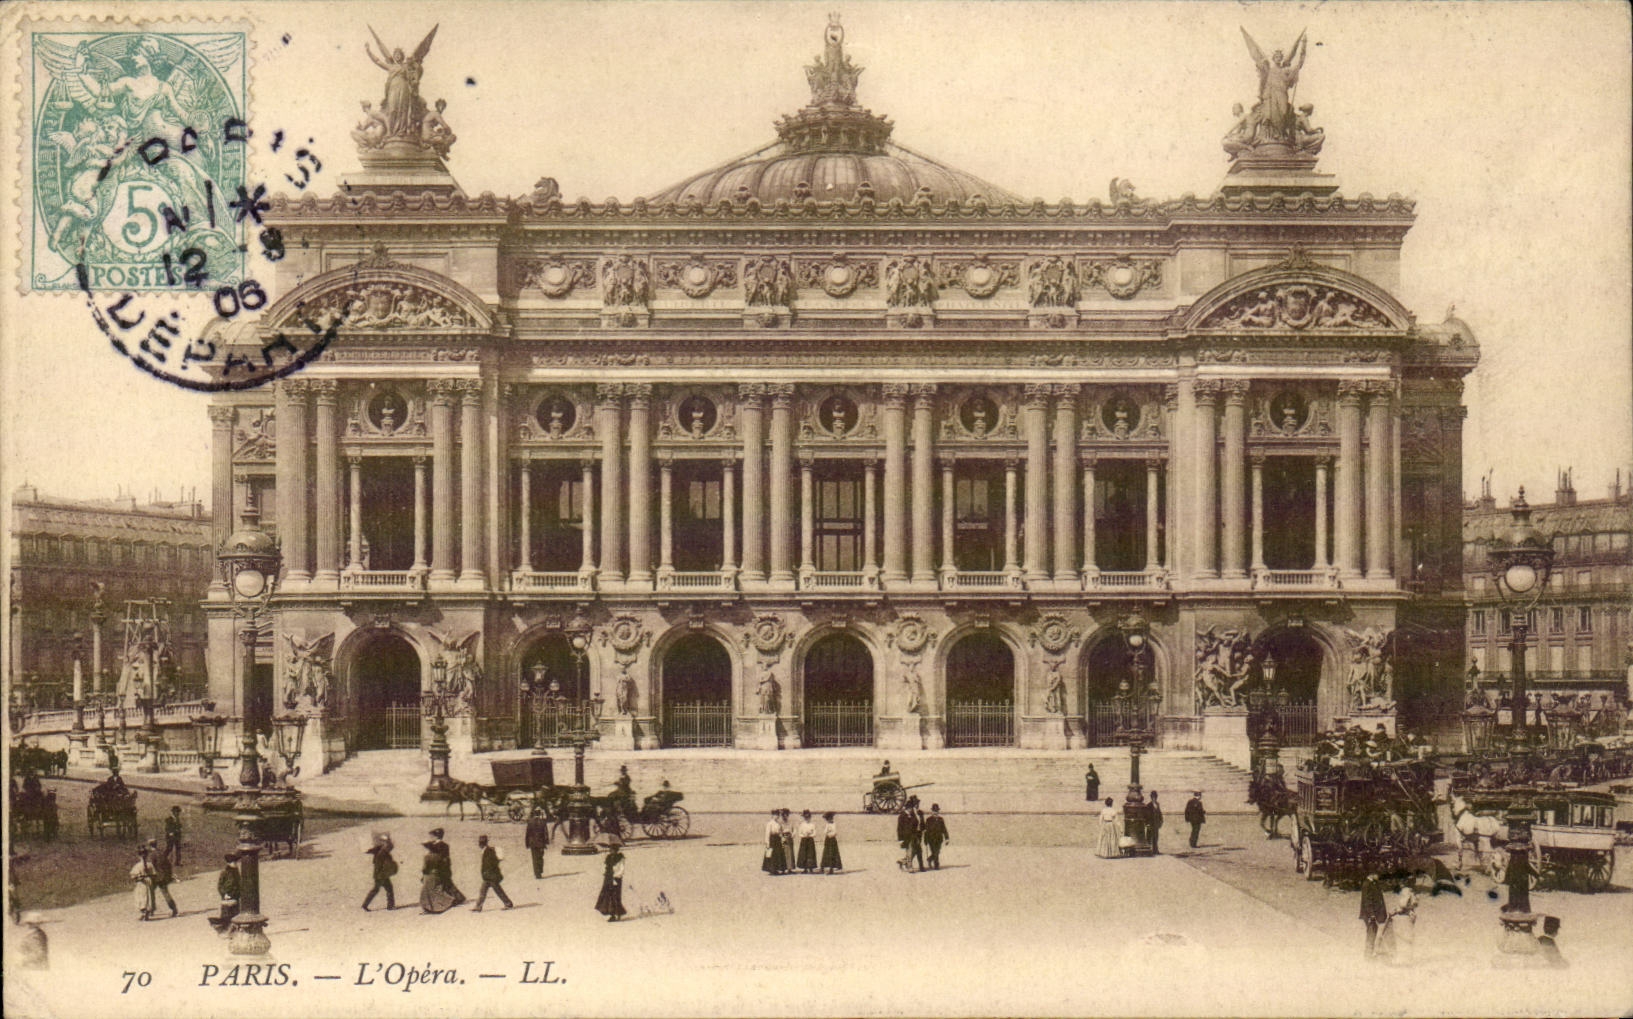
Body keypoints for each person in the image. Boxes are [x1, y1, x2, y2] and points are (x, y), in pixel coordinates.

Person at [473, 835, 514, 911]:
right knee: (484, 891)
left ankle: (508, 903)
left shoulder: (488, 851)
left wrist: (487, 874)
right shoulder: (488, 850)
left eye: (480, 843)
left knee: (496, 891)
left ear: (482, 844)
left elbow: (491, 864)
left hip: (491, 876)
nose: (479, 845)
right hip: (489, 876)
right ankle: (478, 907)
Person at [419, 840, 457, 914]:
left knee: (426, 893)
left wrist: (423, 875)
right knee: (437, 890)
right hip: (437, 875)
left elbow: (425, 868)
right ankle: (443, 904)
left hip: (429, 876)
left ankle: (429, 909)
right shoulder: (439, 856)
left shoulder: (427, 857)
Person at [363, 836, 397, 911]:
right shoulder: (382, 853)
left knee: (380, 889)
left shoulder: (381, 851)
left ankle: (365, 905)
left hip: (381, 875)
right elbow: (379, 865)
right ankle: (390, 906)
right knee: (385, 889)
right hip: (381, 876)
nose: (390, 847)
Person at [1360, 872, 1389, 959]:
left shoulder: (1375, 883)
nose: (1378, 876)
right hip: (1370, 915)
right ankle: (1368, 955)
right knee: (1371, 934)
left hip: (1377, 914)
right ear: (1372, 874)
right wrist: (1371, 914)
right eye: (1377, 874)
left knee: (1375, 934)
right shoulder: (1367, 885)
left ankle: (1373, 954)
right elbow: (1367, 901)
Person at [1501, 842, 1536, 914]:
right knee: (1522, 895)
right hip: (1522, 881)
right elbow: (1528, 868)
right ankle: (1523, 910)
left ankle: (1513, 909)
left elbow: (1509, 869)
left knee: (1514, 894)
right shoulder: (1523, 860)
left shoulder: (1512, 860)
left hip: (1515, 881)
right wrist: (1536, 874)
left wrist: (1506, 879)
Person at [210, 853, 240, 933]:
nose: (236, 864)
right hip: (227, 896)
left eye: (236, 862)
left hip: (235, 896)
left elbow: (239, 883)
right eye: (234, 863)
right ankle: (224, 930)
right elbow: (220, 886)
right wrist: (224, 894)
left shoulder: (236, 872)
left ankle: (234, 931)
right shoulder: (224, 872)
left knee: (236, 914)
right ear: (229, 863)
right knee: (226, 915)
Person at [149, 839, 178, 918]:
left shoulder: (152, 855)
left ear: (150, 845)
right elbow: (168, 864)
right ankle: (174, 908)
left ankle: (151, 909)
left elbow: (151, 866)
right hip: (163, 876)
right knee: (165, 892)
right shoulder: (161, 853)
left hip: (156, 877)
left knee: (150, 892)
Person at [596, 846, 626, 922]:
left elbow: (621, 870)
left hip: (616, 879)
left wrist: (615, 876)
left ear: (616, 850)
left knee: (615, 896)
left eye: (613, 849)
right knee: (608, 896)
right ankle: (612, 914)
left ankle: (618, 913)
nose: (611, 851)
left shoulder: (620, 858)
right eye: (610, 849)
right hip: (608, 878)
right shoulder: (608, 857)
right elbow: (606, 867)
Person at [897, 797, 924, 872]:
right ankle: (909, 867)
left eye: (917, 804)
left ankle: (904, 861)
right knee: (910, 850)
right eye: (915, 804)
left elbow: (921, 823)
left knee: (918, 851)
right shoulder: (905, 815)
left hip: (917, 835)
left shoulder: (919, 813)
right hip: (908, 836)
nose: (916, 806)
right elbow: (899, 828)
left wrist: (923, 829)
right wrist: (900, 839)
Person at [130, 845, 157, 921]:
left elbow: (133, 876)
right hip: (149, 881)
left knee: (141, 897)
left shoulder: (138, 866)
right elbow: (154, 874)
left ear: (139, 856)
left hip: (141, 883)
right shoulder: (150, 864)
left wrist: (138, 877)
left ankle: (143, 913)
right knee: (148, 896)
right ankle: (147, 912)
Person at [525, 806, 551, 879]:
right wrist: (546, 842)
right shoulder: (542, 822)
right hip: (540, 843)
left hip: (532, 843)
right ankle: (539, 871)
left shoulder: (530, 822)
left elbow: (527, 833)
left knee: (534, 858)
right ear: (539, 814)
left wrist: (527, 843)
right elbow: (545, 833)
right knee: (540, 857)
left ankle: (536, 873)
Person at [922, 804, 950, 870]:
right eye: (934, 811)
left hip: (939, 839)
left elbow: (944, 829)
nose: (935, 812)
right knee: (935, 852)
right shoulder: (928, 820)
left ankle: (929, 859)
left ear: (938, 812)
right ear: (932, 811)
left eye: (936, 811)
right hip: (931, 839)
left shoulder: (941, 819)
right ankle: (936, 865)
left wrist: (947, 838)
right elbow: (926, 831)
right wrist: (925, 840)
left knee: (937, 851)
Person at [762, 809, 787, 875]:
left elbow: (780, 832)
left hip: (777, 839)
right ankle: (771, 869)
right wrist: (767, 842)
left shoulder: (778, 824)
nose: (776, 816)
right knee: (771, 854)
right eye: (775, 815)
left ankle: (776, 869)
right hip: (772, 839)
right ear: (772, 815)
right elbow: (767, 833)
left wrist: (782, 838)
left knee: (778, 854)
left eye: (777, 815)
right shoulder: (770, 823)